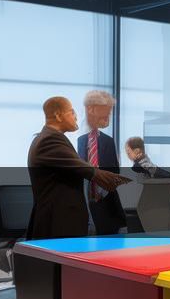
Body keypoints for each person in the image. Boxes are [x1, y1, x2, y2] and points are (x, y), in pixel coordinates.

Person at [27, 96, 127, 239]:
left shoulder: (52, 138)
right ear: (58, 115)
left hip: (65, 222)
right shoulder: (50, 139)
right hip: (58, 226)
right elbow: (84, 168)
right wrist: (116, 180)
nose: (76, 116)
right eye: (71, 112)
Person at [76, 90, 127, 234]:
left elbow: (114, 171)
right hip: (86, 198)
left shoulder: (108, 141)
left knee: (107, 233)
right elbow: (81, 167)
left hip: (105, 198)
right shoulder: (81, 140)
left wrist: (102, 191)